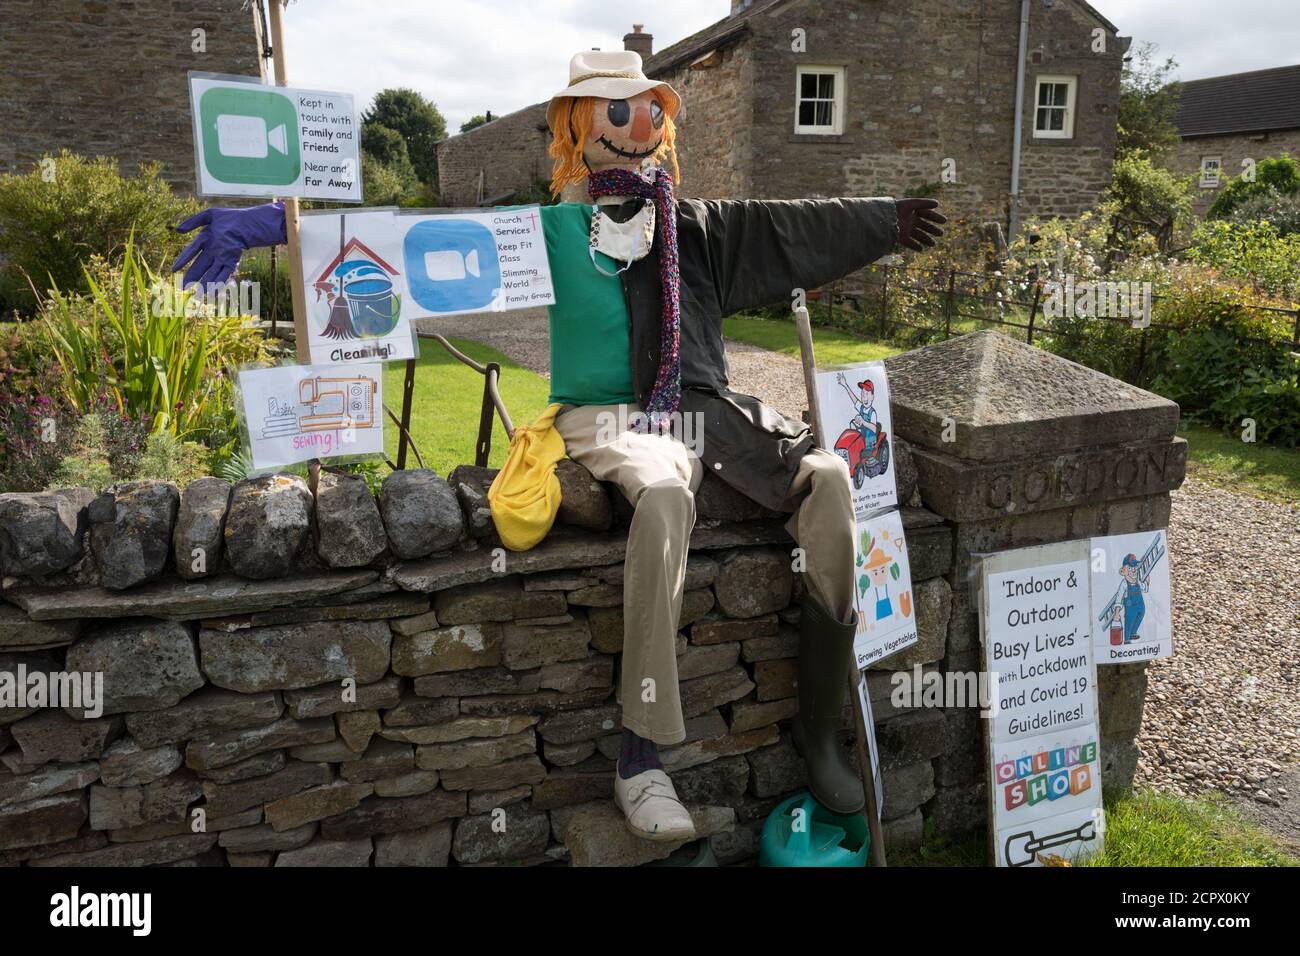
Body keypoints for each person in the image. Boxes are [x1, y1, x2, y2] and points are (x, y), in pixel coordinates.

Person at [171, 49, 945, 843]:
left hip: (703, 409)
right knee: (666, 492)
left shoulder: (698, 228)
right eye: (618, 112)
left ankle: (820, 731)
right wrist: (277, 224)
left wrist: (883, 218)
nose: (639, 126)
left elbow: (793, 225)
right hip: (605, 417)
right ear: (580, 126)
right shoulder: (546, 230)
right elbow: (424, 239)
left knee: (829, 479)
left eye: (652, 111)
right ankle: (641, 756)